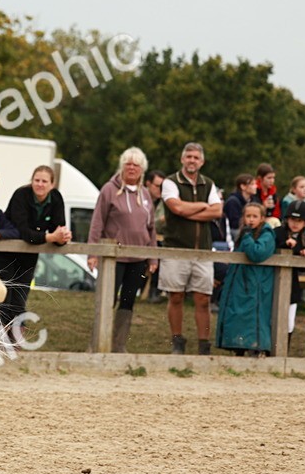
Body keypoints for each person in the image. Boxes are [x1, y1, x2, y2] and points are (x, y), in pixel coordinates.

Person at [87, 147, 159, 352]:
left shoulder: (145, 195)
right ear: (122, 166)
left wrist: (153, 258)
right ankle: (96, 345)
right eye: (128, 163)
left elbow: (151, 228)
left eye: (136, 164)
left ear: (142, 169)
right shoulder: (109, 190)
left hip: (138, 258)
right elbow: (97, 222)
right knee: (107, 301)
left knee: (128, 302)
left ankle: (118, 345)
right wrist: (92, 253)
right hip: (113, 258)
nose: (132, 168)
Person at [0, 165, 71, 339]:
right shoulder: (21, 195)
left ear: (52, 184)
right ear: (31, 181)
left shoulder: (56, 198)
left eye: (44, 181)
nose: (40, 184)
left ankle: (15, 339)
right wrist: (52, 237)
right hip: (6, 252)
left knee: (21, 295)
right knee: (5, 295)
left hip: (29, 253)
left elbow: (58, 229)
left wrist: (62, 237)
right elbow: (24, 232)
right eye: (37, 180)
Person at [160, 142, 222, 355]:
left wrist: (188, 211)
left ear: (202, 161)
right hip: (176, 247)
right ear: (182, 159)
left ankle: (204, 344)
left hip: (202, 249)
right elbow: (175, 207)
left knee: (203, 298)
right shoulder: (170, 182)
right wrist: (203, 206)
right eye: (189, 157)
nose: (192, 160)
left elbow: (217, 211)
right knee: (175, 296)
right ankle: (177, 340)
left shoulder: (208, 183)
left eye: (196, 157)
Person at [215, 202, 276, 356]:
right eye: (248, 216)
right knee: (238, 315)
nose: (251, 219)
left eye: (255, 216)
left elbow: (257, 253)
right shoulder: (244, 233)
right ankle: (238, 346)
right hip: (239, 280)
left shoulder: (266, 235)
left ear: (262, 218)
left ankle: (255, 348)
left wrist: (247, 237)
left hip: (255, 282)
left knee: (252, 316)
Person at [275, 199, 305, 345]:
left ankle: (283, 352)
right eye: (292, 219)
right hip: (272, 281)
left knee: (289, 323)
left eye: (299, 220)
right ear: (287, 219)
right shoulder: (277, 233)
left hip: (292, 285)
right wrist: (284, 245)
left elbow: (302, 269)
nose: (295, 223)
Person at [143, 169, 167, 302]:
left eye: (163, 187)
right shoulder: (138, 198)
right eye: (157, 186)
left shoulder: (164, 202)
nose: (160, 190)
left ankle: (155, 290)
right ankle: (152, 290)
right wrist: (162, 220)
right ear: (148, 183)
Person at [222, 173, 258, 245]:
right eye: (252, 184)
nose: (255, 186)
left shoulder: (253, 200)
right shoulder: (233, 201)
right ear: (243, 186)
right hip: (234, 231)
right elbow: (234, 223)